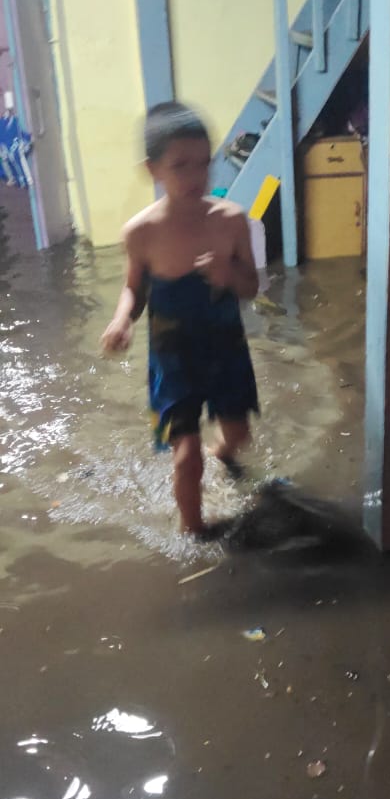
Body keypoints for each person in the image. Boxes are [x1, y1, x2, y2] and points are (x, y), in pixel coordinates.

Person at [101, 102, 259, 536]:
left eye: (203, 164)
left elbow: (252, 287)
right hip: (174, 355)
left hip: (226, 346)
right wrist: (122, 320)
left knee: (238, 436)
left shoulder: (230, 221)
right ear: (153, 169)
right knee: (185, 454)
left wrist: (229, 275)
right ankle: (194, 532)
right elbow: (135, 288)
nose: (195, 177)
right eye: (180, 166)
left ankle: (222, 453)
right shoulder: (141, 232)